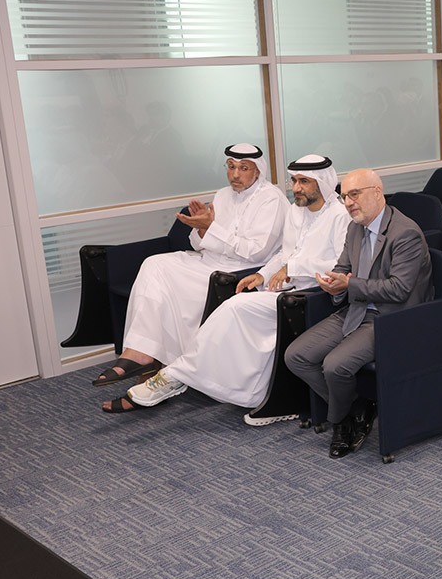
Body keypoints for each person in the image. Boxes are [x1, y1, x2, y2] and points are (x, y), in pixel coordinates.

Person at [109, 154, 351, 417]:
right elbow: (284, 254)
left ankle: (174, 377)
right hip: (283, 289)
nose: (296, 188)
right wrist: (261, 275)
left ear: (322, 183)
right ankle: (181, 375)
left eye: (304, 182)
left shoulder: (340, 216)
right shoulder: (296, 211)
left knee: (233, 309)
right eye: (294, 181)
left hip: (315, 294)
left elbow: (340, 264)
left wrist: (291, 269)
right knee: (229, 311)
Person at [92, 143, 288, 387]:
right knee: (155, 264)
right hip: (209, 261)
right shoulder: (222, 195)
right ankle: (140, 352)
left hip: (241, 271)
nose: (235, 174)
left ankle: (163, 365)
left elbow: (256, 251)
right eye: (230, 167)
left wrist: (210, 228)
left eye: (243, 168)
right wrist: (201, 228)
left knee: (173, 289)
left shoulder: (272, 199)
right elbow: (198, 245)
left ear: (258, 171)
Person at [284, 169, 432, 458]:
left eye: (355, 194)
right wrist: (332, 284)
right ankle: (357, 407)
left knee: (334, 365)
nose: (349, 202)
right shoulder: (355, 228)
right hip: (356, 309)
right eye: (344, 197)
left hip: (392, 318)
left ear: (377, 192)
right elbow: (343, 268)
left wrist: (349, 284)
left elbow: (399, 290)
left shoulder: (406, 233)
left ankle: (340, 422)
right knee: (296, 356)